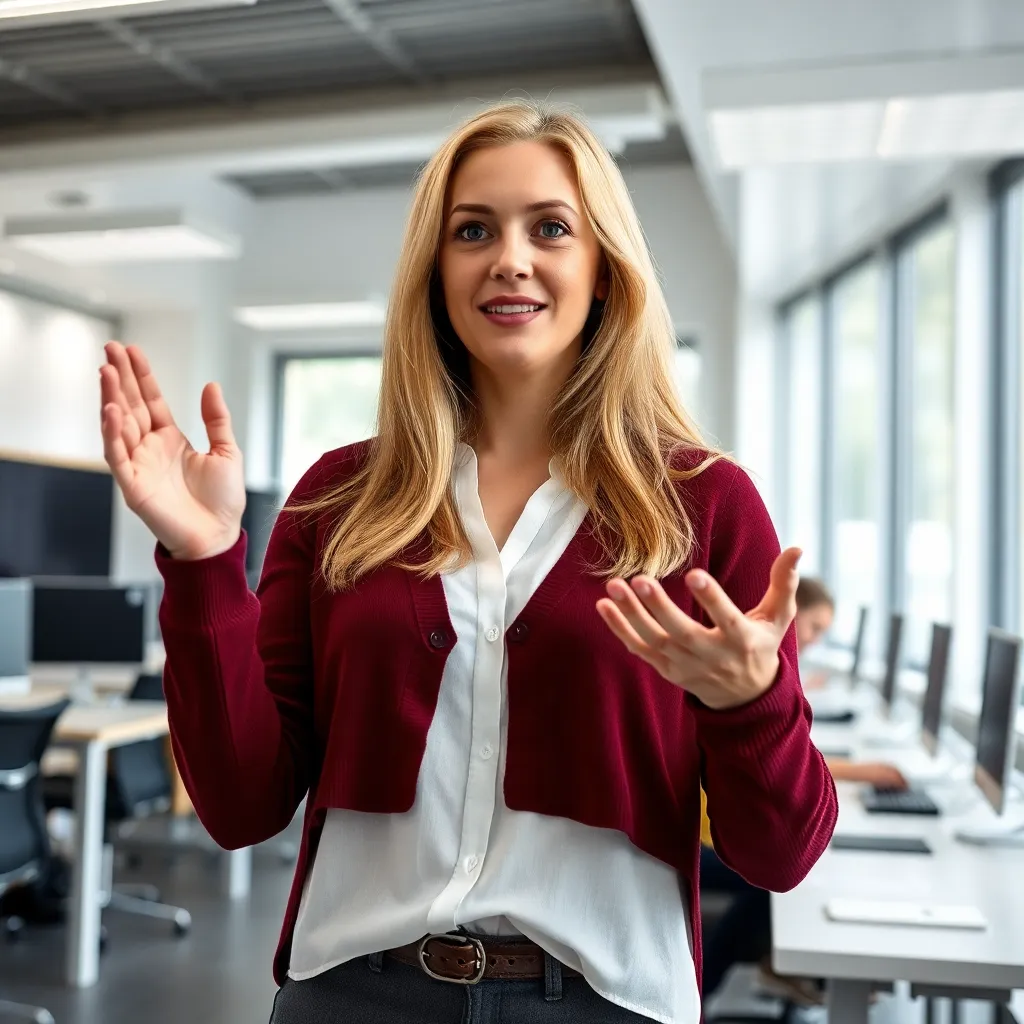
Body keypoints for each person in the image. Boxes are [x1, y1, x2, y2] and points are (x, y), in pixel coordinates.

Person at [97, 101, 837, 1024]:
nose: (510, 258)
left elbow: (781, 857)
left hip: (606, 1002)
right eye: (473, 230)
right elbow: (242, 807)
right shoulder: (342, 499)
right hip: (350, 995)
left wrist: (749, 704)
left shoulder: (706, 504)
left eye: (552, 228)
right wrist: (203, 559)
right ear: (436, 270)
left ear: (605, 269)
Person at [700, 576, 905, 1003]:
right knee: (774, 874)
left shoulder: (770, 665)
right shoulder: (753, 666)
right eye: (814, 628)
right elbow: (777, 758)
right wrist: (861, 771)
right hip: (706, 834)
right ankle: (706, 988)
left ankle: (768, 970)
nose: (814, 641)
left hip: (715, 827)